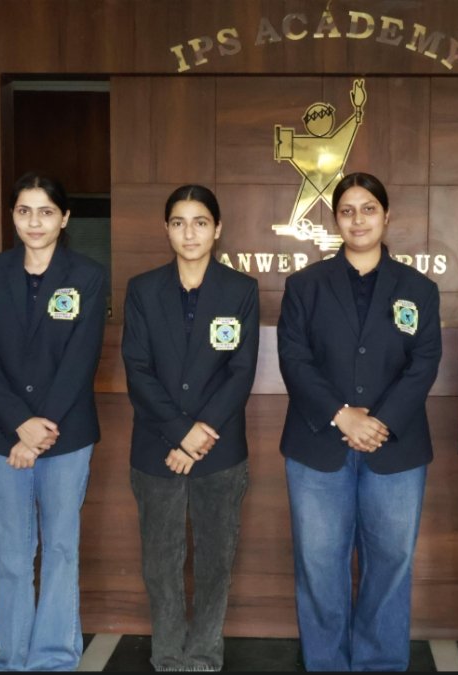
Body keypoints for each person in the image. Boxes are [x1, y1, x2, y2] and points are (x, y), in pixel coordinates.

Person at [277, 171, 442, 671]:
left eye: (368, 209)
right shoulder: (304, 286)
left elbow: (424, 363)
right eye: (347, 211)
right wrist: (340, 415)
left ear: (386, 216)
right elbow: (294, 359)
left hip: (396, 447)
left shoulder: (419, 288)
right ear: (336, 220)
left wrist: (380, 421)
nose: (358, 219)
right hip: (318, 445)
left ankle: (379, 663)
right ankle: (326, 663)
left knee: (391, 563)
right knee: (318, 564)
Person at [0, 172, 108, 671]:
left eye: (46, 212)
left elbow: (80, 360)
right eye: (25, 211)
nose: (35, 222)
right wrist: (19, 425)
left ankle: (52, 659)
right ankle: (12, 659)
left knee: (61, 550)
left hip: (65, 436)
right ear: (13, 216)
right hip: (0, 435)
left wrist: (40, 429)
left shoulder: (88, 276)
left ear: (64, 218)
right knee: (9, 555)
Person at [121, 185, 259, 672]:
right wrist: (181, 432)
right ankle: (167, 655)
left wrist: (200, 434)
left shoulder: (241, 290)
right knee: (160, 563)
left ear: (217, 229)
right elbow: (138, 370)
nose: (189, 233)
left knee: (215, 562)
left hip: (219, 451)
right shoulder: (143, 289)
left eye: (200, 222)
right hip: (156, 448)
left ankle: (202, 655)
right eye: (178, 223)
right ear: (167, 229)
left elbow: (240, 372)